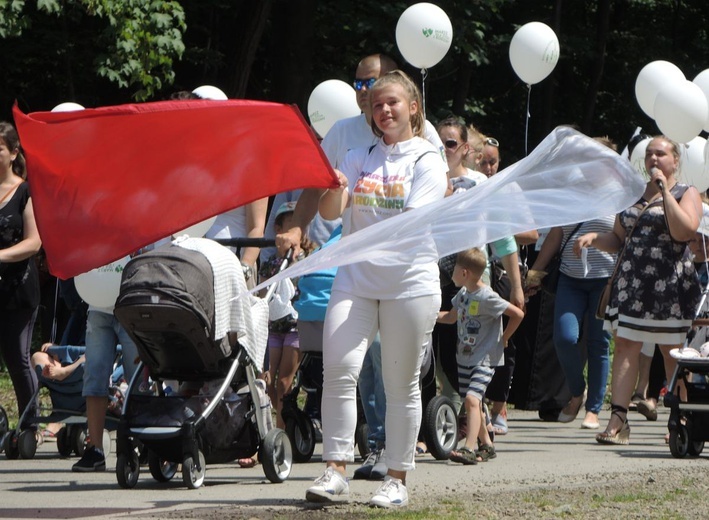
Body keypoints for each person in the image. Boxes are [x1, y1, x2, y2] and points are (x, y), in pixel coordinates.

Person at [304, 70, 447, 508]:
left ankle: (397, 479)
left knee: (400, 383)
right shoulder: (357, 154)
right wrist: (337, 188)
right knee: (339, 370)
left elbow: (411, 224)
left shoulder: (428, 159)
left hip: (408, 283)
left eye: (393, 104)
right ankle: (335, 470)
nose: (383, 111)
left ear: (413, 108)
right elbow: (330, 212)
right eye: (376, 104)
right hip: (356, 281)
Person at [575, 135, 702, 445]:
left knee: (673, 354)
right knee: (626, 347)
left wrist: (664, 193)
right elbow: (619, 239)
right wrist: (595, 238)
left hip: (671, 289)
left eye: (661, 154)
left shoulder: (688, 193)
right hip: (633, 286)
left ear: (675, 161)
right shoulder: (632, 194)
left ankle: (681, 418)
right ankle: (618, 419)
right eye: (650, 155)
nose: (654, 159)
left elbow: (685, 230)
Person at [437, 248, 524, 464]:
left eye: (454, 269)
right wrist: (428, 315)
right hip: (465, 357)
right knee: (475, 404)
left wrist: (504, 338)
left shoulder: (487, 296)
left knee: (472, 400)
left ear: (464, 272)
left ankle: (468, 446)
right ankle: (487, 445)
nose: (451, 273)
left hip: (484, 359)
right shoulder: (464, 295)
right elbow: (451, 317)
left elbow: (518, 314)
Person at [0, 122, 42, 432]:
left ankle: (30, 423)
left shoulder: (26, 190)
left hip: (18, 289)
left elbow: (34, 242)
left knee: (16, 356)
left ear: (14, 153)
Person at [259, 201, 314, 429]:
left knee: (284, 382)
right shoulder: (270, 263)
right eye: (287, 227)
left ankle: (281, 434)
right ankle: (286, 420)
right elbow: (263, 293)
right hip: (274, 327)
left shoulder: (308, 260)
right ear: (278, 231)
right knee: (269, 383)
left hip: (295, 327)